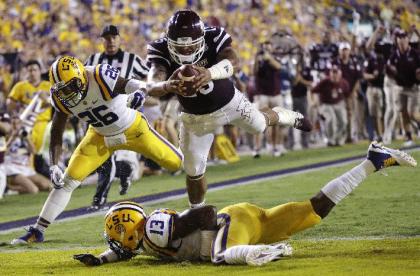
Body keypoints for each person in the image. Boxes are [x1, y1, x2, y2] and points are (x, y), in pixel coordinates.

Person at [73, 142, 417, 266]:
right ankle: (373, 162)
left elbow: (205, 213)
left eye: (116, 238)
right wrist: (100, 259)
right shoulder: (144, 234)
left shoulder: (155, 229)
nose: (116, 244)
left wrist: (216, 230)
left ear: (132, 232)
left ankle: (274, 251)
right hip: (244, 223)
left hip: (229, 224)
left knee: (222, 257)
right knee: (312, 212)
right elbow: (125, 249)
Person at [146, 9, 312, 209]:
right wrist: (167, 86)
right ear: (169, 42)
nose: (186, 52)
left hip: (230, 102)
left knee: (259, 125)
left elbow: (235, 62)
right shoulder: (160, 49)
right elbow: (152, 81)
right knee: (193, 169)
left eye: (191, 46)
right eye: (180, 48)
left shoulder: (213, 35)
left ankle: (285, 114)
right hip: (195, 118)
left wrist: (209, 73)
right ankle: (197, 212)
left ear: (201, 38)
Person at [10, 56, 183, 244]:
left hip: (133, 130)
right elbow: (57, 130)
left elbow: (139, 85)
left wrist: (141, 93)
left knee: (176, 163)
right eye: (62, 89)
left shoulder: (100, 77)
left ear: (81, 77)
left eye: (70, 86)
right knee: (67, 181)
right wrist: (53, 165)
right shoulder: (60, 98)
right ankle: (37, 230)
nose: (66, 93)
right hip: (99, 136)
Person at [85, 24, 150, 210]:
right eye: (107, 38)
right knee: (105, 160)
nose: (111, 41)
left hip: (127, 117)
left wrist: (142, 94)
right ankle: (99, 200)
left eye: (114, 37)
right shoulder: (93, 60)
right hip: (101, 117)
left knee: (129, 168)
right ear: (102, 41)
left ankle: (125, 170)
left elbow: (148, 79)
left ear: (119, 39)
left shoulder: (132, 59)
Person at [386, 29, 420, 147]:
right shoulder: (394, 55)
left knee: (412, 113)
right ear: (397, 40)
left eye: (404, 37)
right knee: (403, 112)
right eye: (399, 37)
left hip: (413, 87)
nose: (402, 39)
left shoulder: (415, 54)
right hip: (400, 87)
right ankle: (409, 136)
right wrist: (392, 73)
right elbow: (389, 70)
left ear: (408, 39)